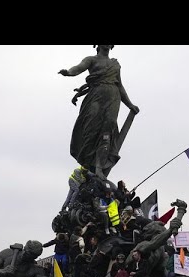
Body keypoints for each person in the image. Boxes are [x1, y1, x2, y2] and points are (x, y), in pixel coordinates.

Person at [59, 45, 140, 180]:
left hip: (113, 96)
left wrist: (130, 104)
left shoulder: (115, 64)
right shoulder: (91, 59)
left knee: (108, 129)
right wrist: (69, 72)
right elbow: (79, 67)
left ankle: (99, 168)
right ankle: (85, 164)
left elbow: (119, 85)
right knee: (91, 128)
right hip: (96, 96)